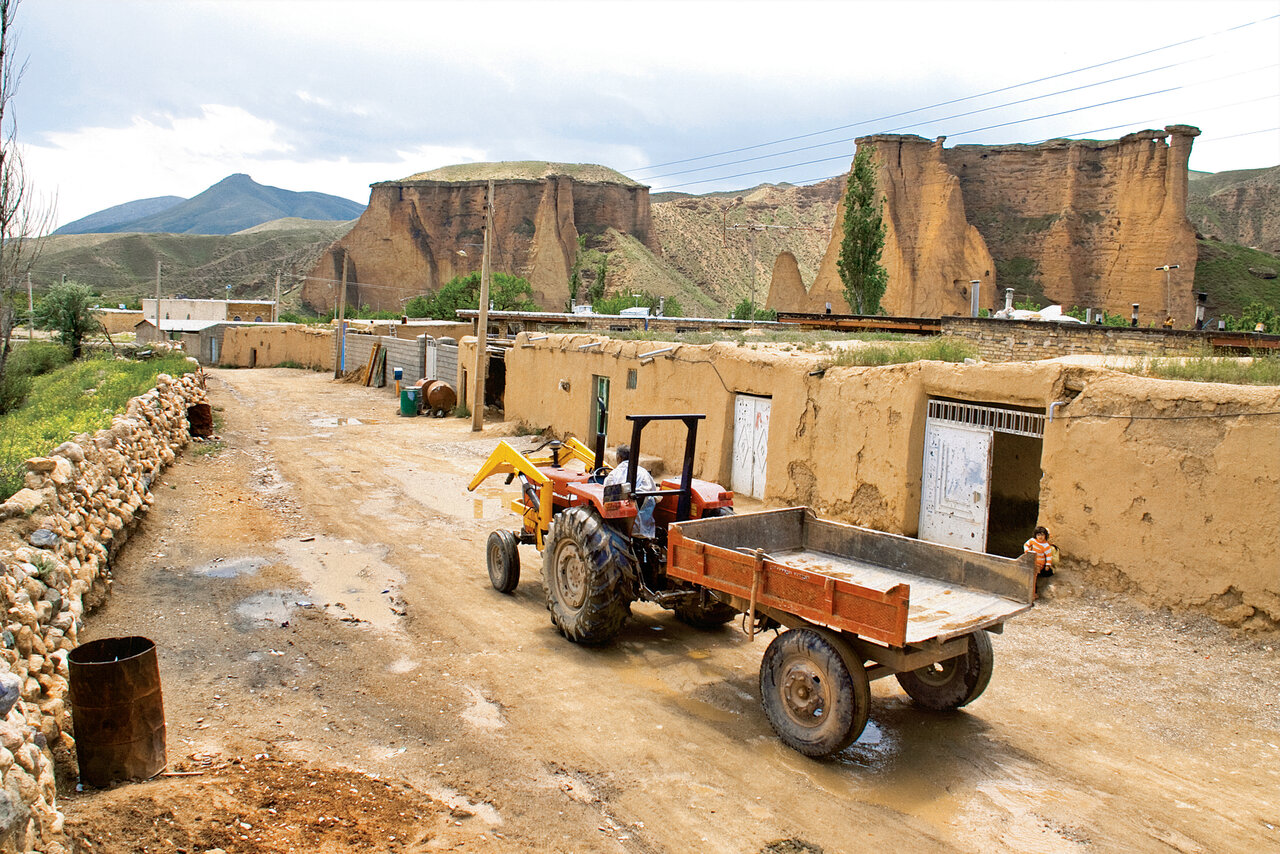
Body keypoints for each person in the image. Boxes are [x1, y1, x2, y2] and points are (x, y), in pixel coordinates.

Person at [603, 444, 656, 538]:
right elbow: (655, 495)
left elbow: (606, 496)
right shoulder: (644, 473)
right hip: (645, 527)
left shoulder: (613, 475)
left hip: (621, 528)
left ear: (619, 458)